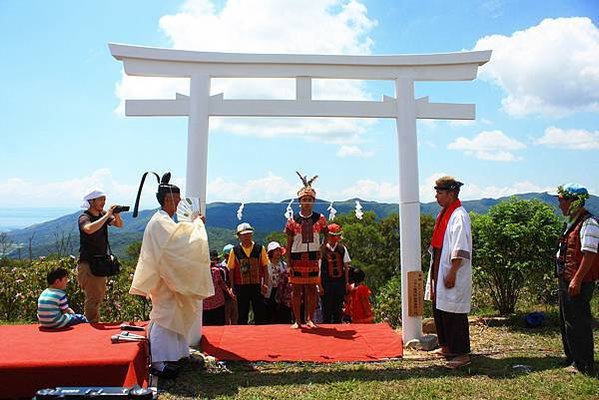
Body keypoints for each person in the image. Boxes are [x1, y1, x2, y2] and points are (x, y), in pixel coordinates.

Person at [129, 172, 214, 379]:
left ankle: (177, 354)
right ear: (168, 200)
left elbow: (177, 240)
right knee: (163, 316)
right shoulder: (160, 221)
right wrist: (197, 225)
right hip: (164, 278)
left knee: (173, 314)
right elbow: (180, 244)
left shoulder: (163, 220)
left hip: (168, 276)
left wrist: (194, 225)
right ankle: (158, 362)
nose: (178, 204)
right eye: (176, 200)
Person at [424, 176, 473, 369]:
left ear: (451, 194)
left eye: (440, 192)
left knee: (454, 312)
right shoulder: (444, 213)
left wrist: (453, 271)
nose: (436, 196)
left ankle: (461, 353)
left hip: (452, 269)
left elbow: (460, 246)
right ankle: (446, 346)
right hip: (439, 267)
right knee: (441, 308)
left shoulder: (459, 215)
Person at [555, 183, 599, 375]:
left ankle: (583, 363)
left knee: (578, 321)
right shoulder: (573, 222)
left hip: (577, 280)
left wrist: (577, 279)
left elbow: (589, 254)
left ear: (574, 202)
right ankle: (573, 357)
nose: (560, 205)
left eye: (562, 201)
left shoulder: (589, 223)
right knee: (568, 320)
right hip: (568, 278)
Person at [285, 172, 329, 329]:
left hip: (312, 256)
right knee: (296, 290)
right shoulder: (292, 221)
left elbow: (327, 234)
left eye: (310, 200)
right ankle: (297, 320)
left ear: (313, 202)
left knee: (311, 289)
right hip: (297, 257)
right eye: (304, 200)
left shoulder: (320, 218)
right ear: (300, 202)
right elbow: (289, 242)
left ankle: (310, 319)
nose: (307, 203)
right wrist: (288, 261)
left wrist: (322, 248)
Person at [77, 188, 123, 323]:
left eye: (104, 199)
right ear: (91, 201)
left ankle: (93, 323)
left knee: (98, 295)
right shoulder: (84, 217)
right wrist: (107, 214)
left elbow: (119, 225)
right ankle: (92, 325)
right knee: (93, 297)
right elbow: (89, 229)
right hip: (88, 264)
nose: (103, 202)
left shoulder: (102, 215)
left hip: (99, 264)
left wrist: (116, 214)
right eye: (100, 199)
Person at [227, 222, 269, 325]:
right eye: (244, 235)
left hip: (257, 285)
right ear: (239, 236)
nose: (246, 237)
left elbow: (265, 267)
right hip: (240, 286)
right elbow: (231, 270)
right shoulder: (234, 250)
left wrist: (265, 283)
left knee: (260, 312)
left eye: (248, 234)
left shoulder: (260, 249)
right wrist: (232, 287)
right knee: (242, 313)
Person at [321, 223, 351, 324]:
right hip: (326, 282)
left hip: (340, 282)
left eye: (337, 235)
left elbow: (346, 267)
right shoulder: (322, 249)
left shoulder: (342, 249)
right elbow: (319, 267)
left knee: (338, 307)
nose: (335, 238)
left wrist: (347, 282)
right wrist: (319, 285)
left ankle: (338, 325)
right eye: (333, 235)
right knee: (326, 307)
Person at [203, 250, 236, 326]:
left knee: (219, 327)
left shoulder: (216, 271)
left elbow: (222, 283)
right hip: (205, 307)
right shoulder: (199, 274)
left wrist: (229, 292)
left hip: (218, 304)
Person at [265, 241, 289, 323]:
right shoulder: (266, 265)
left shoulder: (284, 265)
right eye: (276, 251)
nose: (278, 253)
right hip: (270, 291)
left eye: (279, 250)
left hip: (281, 292)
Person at [220, 244, 238, 325]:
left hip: (234, 295)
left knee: (235, 317)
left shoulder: (236, 265)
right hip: (226, 297)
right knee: (227, 317)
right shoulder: (221, 268)